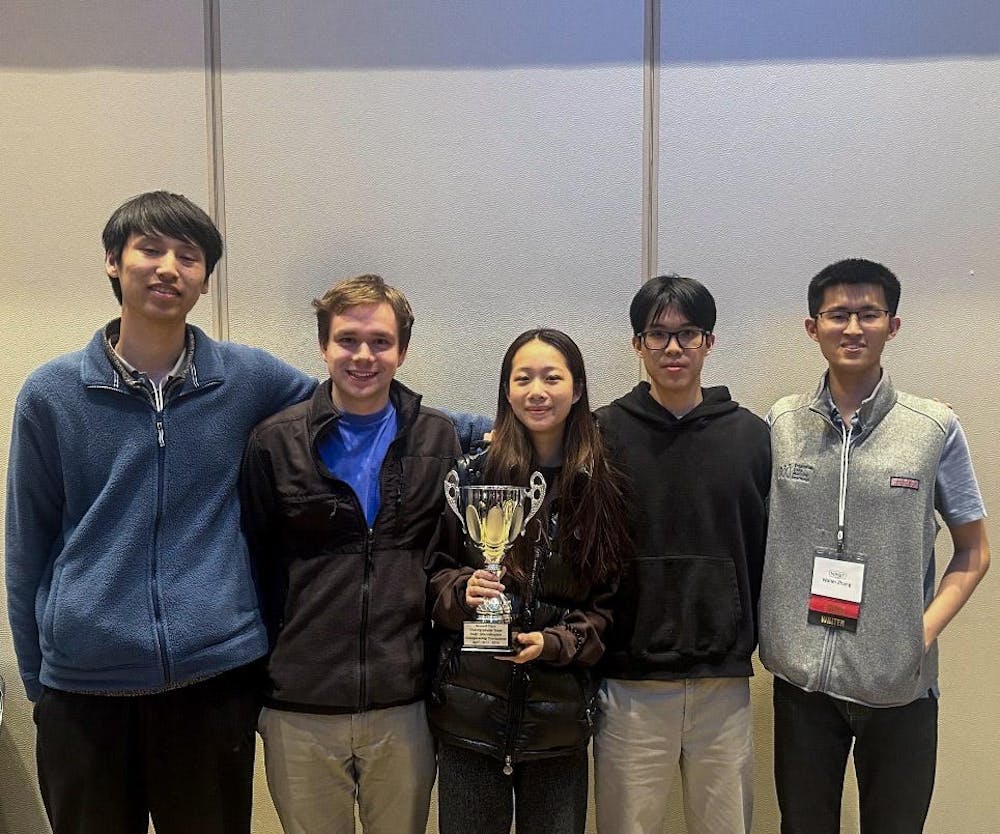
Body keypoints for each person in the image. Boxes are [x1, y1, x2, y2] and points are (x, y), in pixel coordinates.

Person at [5, 190, 317, 834]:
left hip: (213, 680)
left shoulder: (246, 377)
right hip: (83, 689)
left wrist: (490, 429)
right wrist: (40, 681)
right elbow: (25, 546)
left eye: (189, 256)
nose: (168, 267)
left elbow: (353, 407)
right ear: (114, 264)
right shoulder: (51, 393)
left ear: (205, 281)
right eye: (150, 248)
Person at [239, 274, 486, 834]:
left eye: (380, 341)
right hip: (298, 704)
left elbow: (449, 558)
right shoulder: (274, 443)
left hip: (406, 701)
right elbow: (252, 564)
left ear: (402, 350)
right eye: (348, 339)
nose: (363, 355)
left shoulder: (439, 439)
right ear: (323, 346)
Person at [758, 258, 991, 834]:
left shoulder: (932, 426)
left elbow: (974, 550)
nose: (853, 328)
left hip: (900, 684)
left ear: (893, 324)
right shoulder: (782, 423)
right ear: (813, 328)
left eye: (869, 313)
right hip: (801, 678)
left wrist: (921, 632)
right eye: (838, 315)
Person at [427, 328, 630, 834]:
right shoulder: (474, 474)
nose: (537, 391)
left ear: (577, 389)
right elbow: (433, 570)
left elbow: (607, 604)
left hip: (557, 721)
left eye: (552, 377)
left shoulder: (601, 484)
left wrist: (558, 642)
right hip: (469, 716)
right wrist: (460, 592)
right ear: (506, 389)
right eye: (523, 379)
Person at [592, 274, 770, 834]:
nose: (673, 348)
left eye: (687, 334)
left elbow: (771, 552)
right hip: (628, 684)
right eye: (658, 334)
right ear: (636, 343)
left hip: (724, 681)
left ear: (709, 342)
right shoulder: (599, 434)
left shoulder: (753, 437)